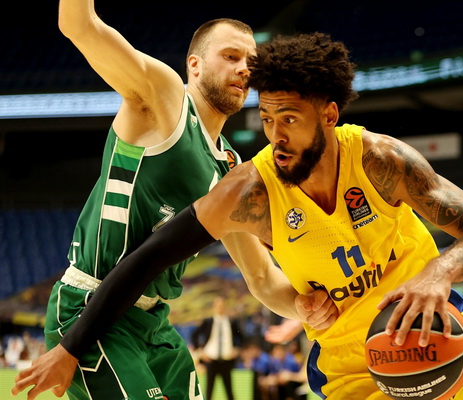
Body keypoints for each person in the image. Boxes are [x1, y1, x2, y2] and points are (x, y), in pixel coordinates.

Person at [16, 32, 463, 399]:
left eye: (289, 119)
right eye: (265, 118)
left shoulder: (380, 160)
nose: (275, 135)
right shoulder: (248, 190)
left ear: (329, 115)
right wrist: (72, 345)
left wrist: (440, 272)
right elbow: (150, 256)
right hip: (349, 365)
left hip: (434, 331)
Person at [11, 4, 337, 400]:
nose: (243, 69)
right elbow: (79, 25)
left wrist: (303, 307)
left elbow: (262, 278)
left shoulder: (230, 168)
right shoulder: (165, 98)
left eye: (250, 62)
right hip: (91, 309)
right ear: (194, 65)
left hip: (155, 324)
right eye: (230, 56)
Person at [191, 296, 243, 400]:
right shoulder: (208, 322)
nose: (220, 308)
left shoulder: (231, 322)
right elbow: (195, 335)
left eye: (222, 306)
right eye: (218, 306)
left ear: (226, 307)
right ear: (214, 307)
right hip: (211, 359)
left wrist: (237, 349)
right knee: (209, 390)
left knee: (229, 390)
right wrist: (200, 351)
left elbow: (242, 337)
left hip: (226, 360)